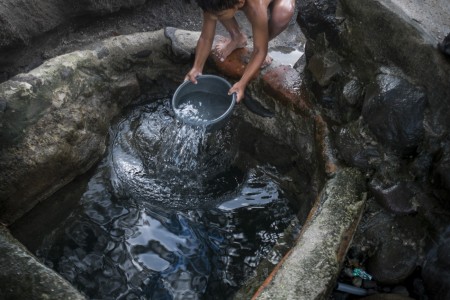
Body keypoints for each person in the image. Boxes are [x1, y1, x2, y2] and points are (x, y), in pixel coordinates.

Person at [184, 0, 296, 103]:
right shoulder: (213, 2)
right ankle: (237, 37)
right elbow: (205, 38)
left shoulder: (255, 7)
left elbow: (259, 51)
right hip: (231, 4)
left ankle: (263, 39)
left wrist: (242, 83)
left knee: (282, 15)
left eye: (218, 17)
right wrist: (197, 68)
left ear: (240, 3)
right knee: (217, 10)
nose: (213, 19)